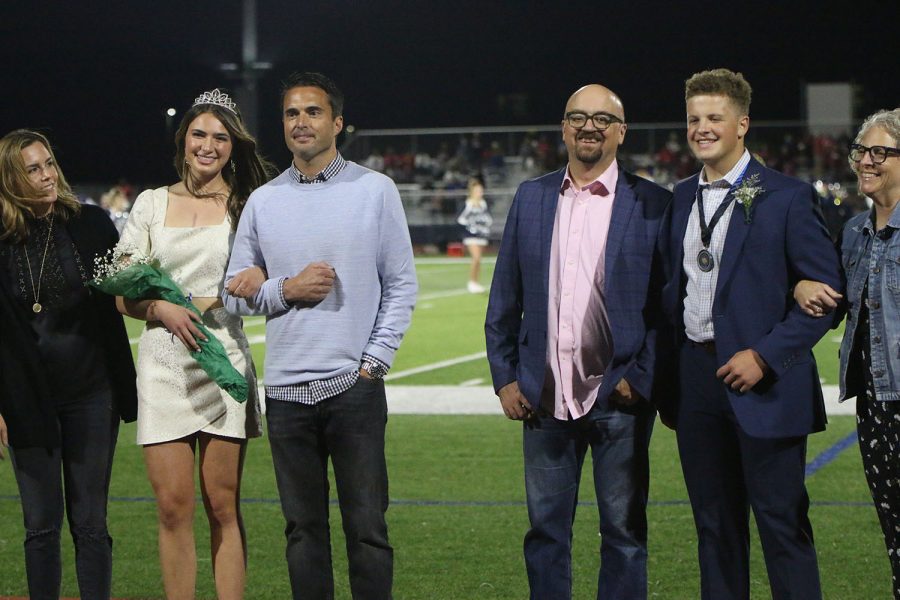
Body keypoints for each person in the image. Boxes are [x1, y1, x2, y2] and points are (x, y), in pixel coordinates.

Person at [222, 72, 417, 600]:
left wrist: (373, 362)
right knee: (302, 532)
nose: (300, 122)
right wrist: (286, 289)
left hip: (353, 386)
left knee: (368, 531)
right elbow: (233, 293)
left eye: (312, 112)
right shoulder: (263, 201)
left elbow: (401, 285)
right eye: (291, 113)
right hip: (285, 394)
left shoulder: (375, 190)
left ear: (337, 123)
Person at [655, 69, 842, 599]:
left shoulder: (786, 195)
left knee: (782, 528)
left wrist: (763, 355)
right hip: (696, 381)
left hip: (765, 382)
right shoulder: (681, 196)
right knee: (714, 530)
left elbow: (826, 298)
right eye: (694, 119)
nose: (702, 128)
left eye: (714, 118)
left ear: (743, 124)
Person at [484, 84, 671, 599]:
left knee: (624, 534)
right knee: (545, 533)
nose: (590, 126)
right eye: (578, 117)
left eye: (602, 119)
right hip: (543, 397)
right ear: (564, 127)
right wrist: (505, 377)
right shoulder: (532, 197)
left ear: (621, 131)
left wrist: (641, 378)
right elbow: (504, 300)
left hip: (620, 399)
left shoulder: (654, 202)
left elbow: (666, 309)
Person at [115, 89, 273, 600]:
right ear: (183, 139)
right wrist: (160, 307)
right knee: (172, 507)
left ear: (234, 146)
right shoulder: (150, 203)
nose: (209, 146)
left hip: (223, 359)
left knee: (222, 505)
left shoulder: (250, 204)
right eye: (200, 134)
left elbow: (267, 280)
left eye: (221, 138)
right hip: (163, 366)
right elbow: (121, 293)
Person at [0, 129, 138, 600]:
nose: (46, 176)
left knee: (91, 523)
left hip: (92, 395)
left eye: (49, 164)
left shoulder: (92, 223)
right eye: (32, 169)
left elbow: (121, 293)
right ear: (11, 179)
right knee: (40, 526)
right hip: (26, 400)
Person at [794, 108, 900, 598]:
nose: (866, 161)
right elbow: (833, 301)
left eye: (881, 152)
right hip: (875, 405)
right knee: (894, 533)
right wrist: (802, 287)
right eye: (862, 151)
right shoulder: (855, 231)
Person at [456, 175, 492, 293]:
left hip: (481, 235)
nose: (480, 193)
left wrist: (485, 225)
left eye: (481, 191)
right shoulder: (468, 204)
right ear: (472, 192)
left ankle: (475, 282)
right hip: (470, 236)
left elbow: (487, 218)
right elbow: (460, 219)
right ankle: (471, 282)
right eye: (477, 191)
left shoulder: (483, 204)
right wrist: (472, 226)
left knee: (479, 259)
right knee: (476, 258)